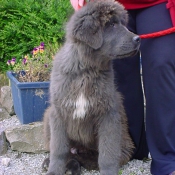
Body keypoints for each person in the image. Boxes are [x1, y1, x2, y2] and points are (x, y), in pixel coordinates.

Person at [70, 0, 175, 174]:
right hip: (109, 3)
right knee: (117, 71)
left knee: (162, 63)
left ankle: (167, 159)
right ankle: (129, 147)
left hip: (158, 3)